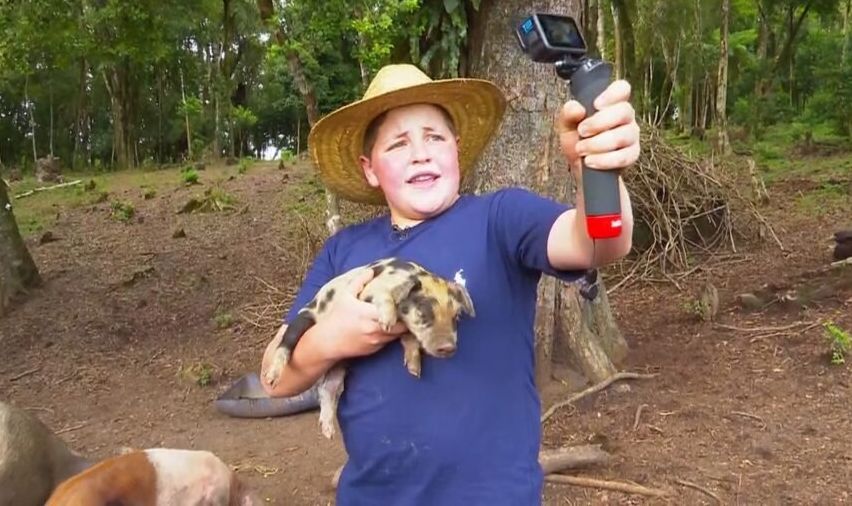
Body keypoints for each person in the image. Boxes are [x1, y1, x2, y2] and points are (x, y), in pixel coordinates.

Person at [260, 63, 639, 505]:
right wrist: (333, 337)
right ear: (369, 169)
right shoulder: (343, 251)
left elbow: (600, 242)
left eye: (435, 138)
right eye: (398, 144)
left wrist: (594, 168)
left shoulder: (499, 219)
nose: (420, 154)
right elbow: (274, 379)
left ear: (457, 149)